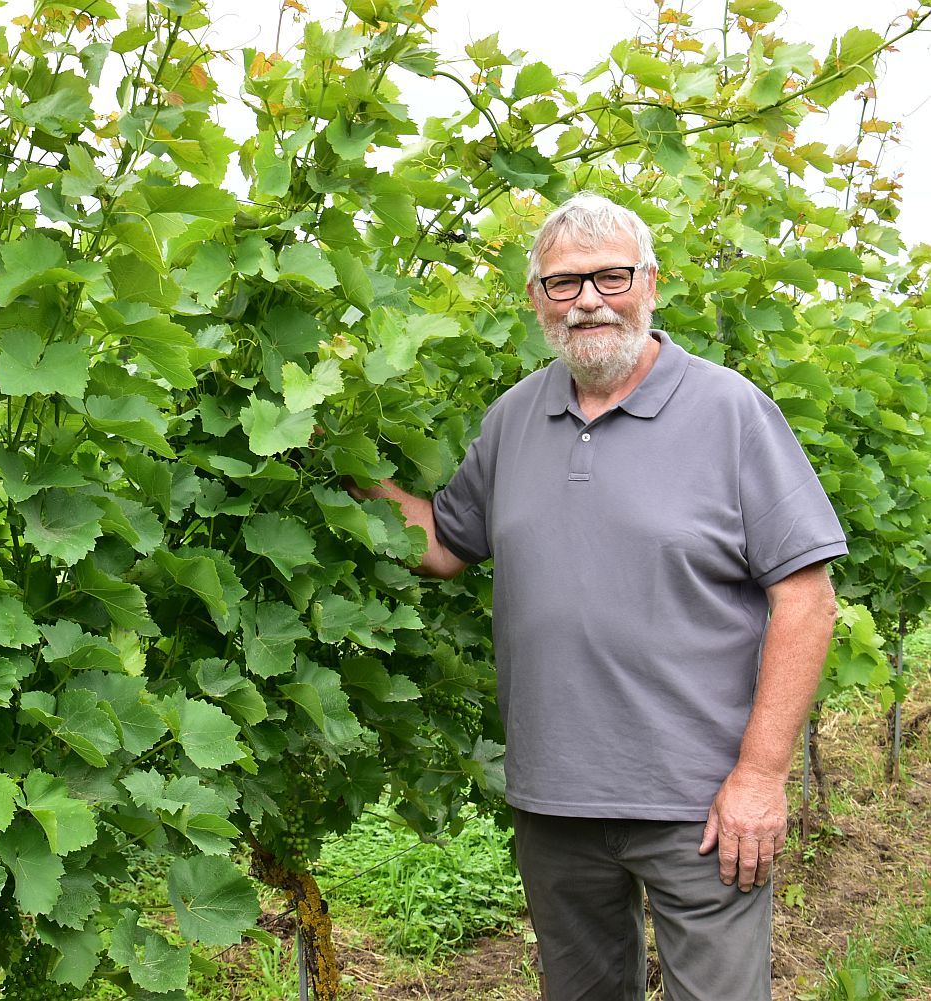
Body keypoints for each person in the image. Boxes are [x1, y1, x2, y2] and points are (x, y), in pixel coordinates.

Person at [348, 193, 845, 1000]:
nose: (588, 300)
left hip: (703, 807)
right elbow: (441, 543)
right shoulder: (513, 418)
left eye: (610, 277)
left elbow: (807, 600)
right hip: (555, 801)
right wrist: (344, 463)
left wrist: (760, 776)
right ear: (536, 298)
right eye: (563, 282)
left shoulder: (730, 411)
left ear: (649, 283)